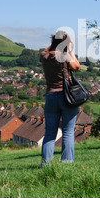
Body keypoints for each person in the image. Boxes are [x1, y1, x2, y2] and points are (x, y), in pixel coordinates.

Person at [39, 30, 80, 166]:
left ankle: (46, 165)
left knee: (49, 133)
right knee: (68, 133)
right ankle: (67, 164)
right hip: (66, 97)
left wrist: (55, 43)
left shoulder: (44, 56)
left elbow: (47, 50)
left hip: (50, 97)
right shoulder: (64, 56)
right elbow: (77, 67)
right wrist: (70, 50)